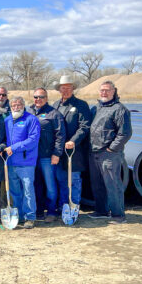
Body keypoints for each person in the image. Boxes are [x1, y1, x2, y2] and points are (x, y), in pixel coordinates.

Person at [88, 81, 132, 224]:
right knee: (97, 184)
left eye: (107, 90)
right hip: (94, 152)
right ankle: (101, 210)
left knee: (113, 184)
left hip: (109, 154)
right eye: (101, 90)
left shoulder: (119, 109)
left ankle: (118, 215)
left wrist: (112, 148)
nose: (104, 93)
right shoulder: (96, 108)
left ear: (114, 91)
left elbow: (125, 133)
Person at [53, 75, 91, 215]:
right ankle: (64, 207)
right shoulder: (55, 105)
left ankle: (74, 206)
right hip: (59, 151)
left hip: (74, 150)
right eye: (63, 88)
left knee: (74, 180)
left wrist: (73, 140)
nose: (66, 90)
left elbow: (84, 126)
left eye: (69, 88)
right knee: (61, 180)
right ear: (59, 89)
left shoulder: (81, 105)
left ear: (73, 88)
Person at [28, 88, 66, 223]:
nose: (38, 99)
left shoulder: (54, 114)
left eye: (41, 97)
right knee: (36, 184)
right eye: (36, 97)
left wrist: (57, 153)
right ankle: (38, 211)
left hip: (47, 156)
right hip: (32, 157)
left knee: (50, 185)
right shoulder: (29, 112)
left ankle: (51, 211)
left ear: (47, 98)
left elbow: (60, 135)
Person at [4, 96, 41, 229]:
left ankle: (30, 217)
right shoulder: (7, 120)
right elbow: (5, 138)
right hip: (11, 162)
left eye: (19, 104)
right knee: (15, 191)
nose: (16, 107)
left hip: (26, 162)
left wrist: (13, 148)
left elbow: (32, 140)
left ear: (23, 105)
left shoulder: (31, 119)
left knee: (28, 191)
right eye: (13, 105)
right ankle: (17, 215)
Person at [0, 86, 11, 211]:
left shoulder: (13, 108)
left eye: (3, 95)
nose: (1, 97)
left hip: (10, 149)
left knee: (9, 180)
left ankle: (9, 205)